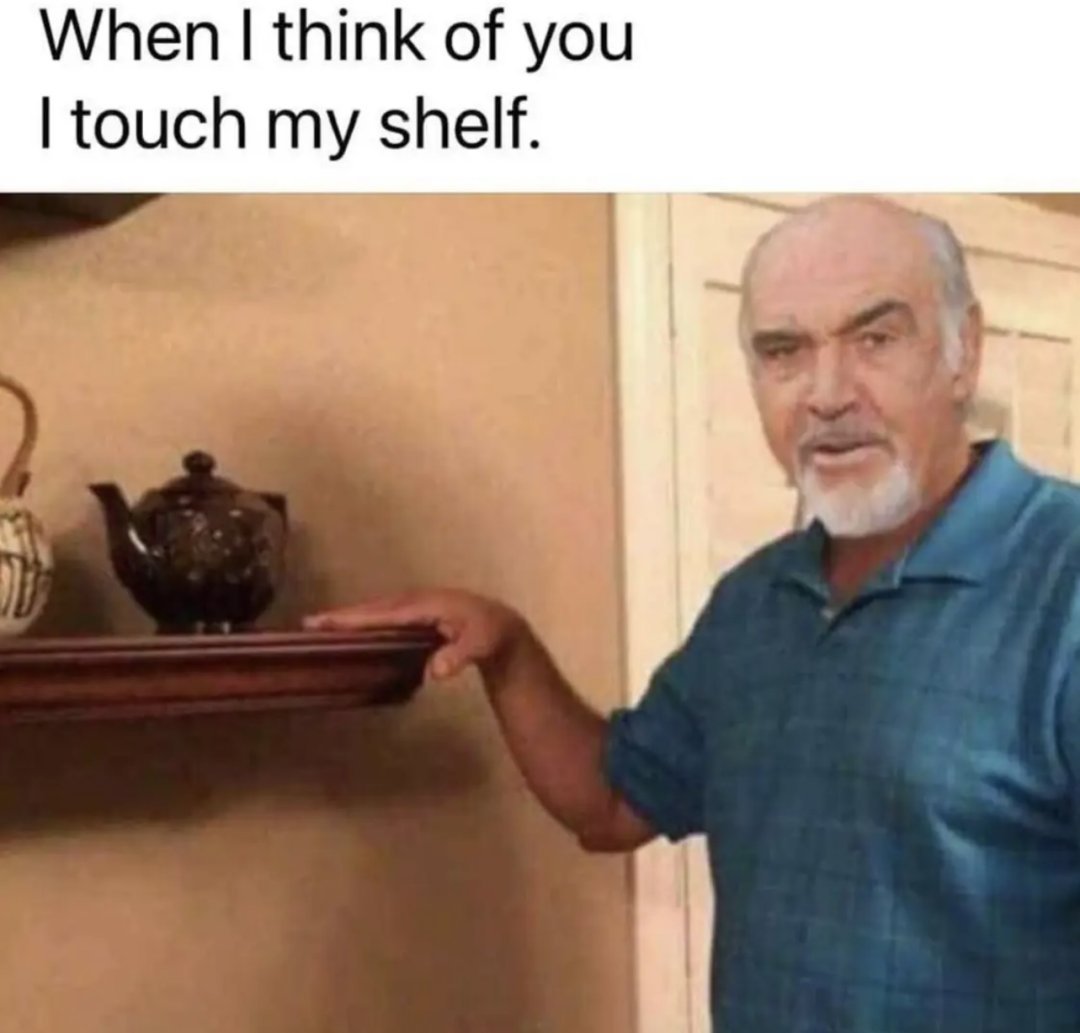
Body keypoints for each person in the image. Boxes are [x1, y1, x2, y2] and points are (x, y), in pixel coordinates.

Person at [305, 196, 1080, 1032]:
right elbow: (611, 804)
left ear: (965, 352)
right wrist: (509, 648)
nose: (826, 394)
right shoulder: (754, 601)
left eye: (875, 339)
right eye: (784, 351)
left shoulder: (1062, 579)